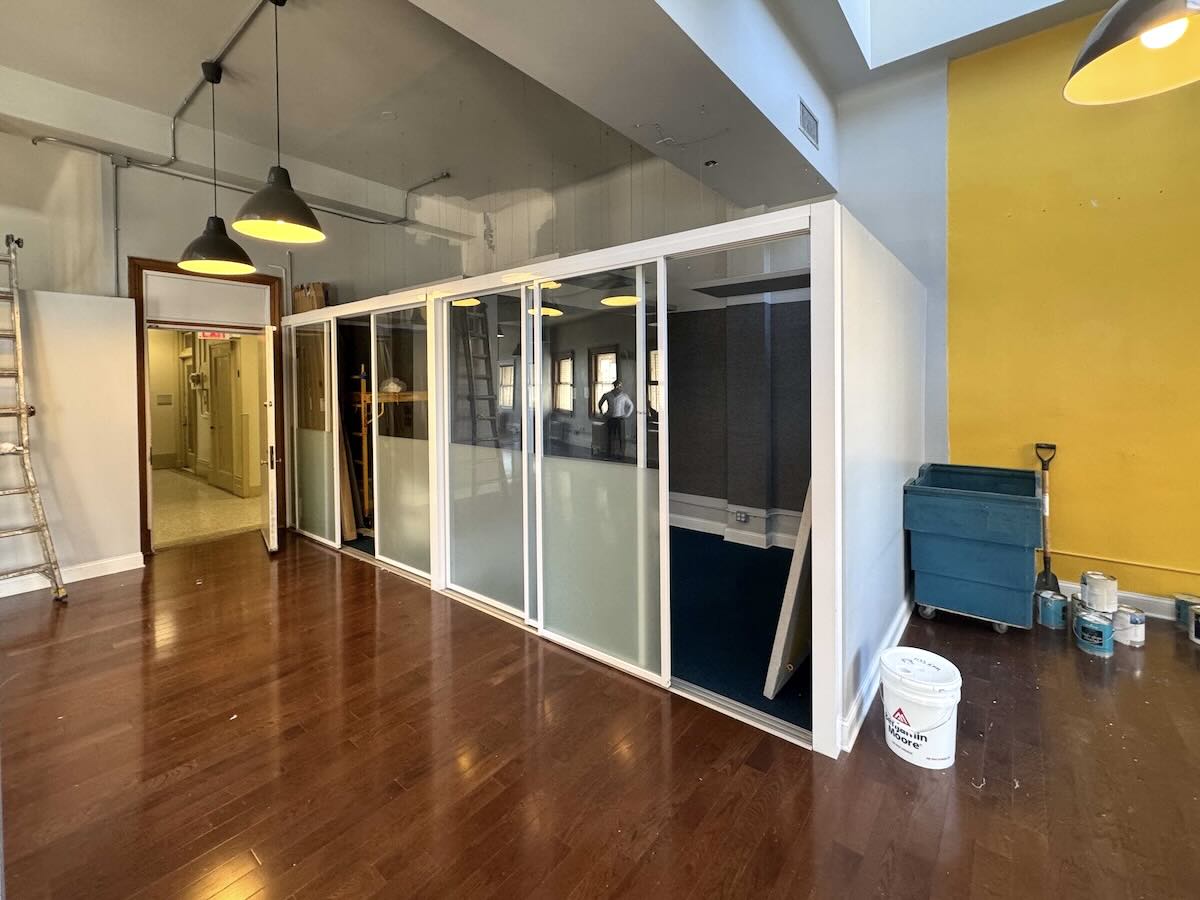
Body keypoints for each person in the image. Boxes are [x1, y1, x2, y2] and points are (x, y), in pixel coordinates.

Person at [597, 379, 634, 460]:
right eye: (616, 385)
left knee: (621, 437)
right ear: (613, 385)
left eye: (619, 385)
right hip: (610, 418)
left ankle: (621, 453)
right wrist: (601, 412)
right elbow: (600, 403)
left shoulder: (624, 396)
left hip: (620, 418)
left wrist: (626, 415)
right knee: (609, 436)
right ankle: (609, 453)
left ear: (621, 386)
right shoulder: (608, 395)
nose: (617, 387)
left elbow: (631, 405)